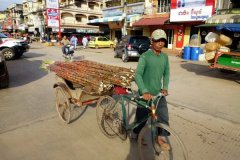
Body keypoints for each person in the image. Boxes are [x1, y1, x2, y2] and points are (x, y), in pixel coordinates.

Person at [133, 29, 170, 150]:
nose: (160, 43)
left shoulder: (165, 57)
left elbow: (166, 73)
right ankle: (137, 135)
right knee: (142, 118)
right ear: (152, 42)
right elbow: (137, 75)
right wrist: (144, 90)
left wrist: (165, 87)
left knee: (163, 116)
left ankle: (159, 138)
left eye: (162, 40)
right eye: (157, 40)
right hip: (145, 94)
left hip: (158, 93)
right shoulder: (145, 56)